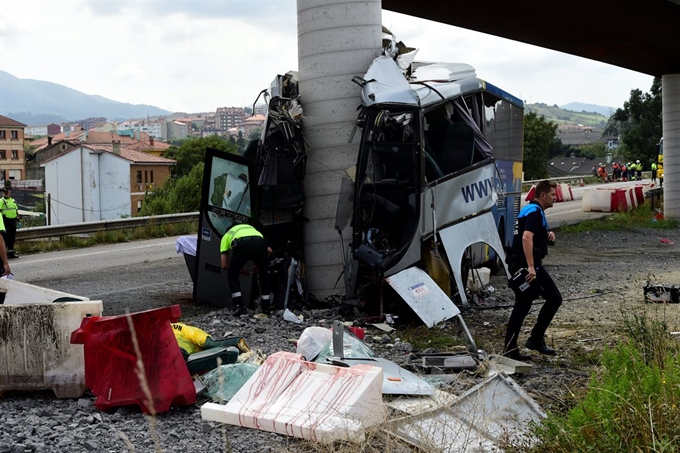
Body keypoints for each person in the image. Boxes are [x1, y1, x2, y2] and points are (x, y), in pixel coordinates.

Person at [503, 180, 563, 361]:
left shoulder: (531, 210)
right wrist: (530, 266)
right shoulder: (536, 213)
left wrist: (547, 236)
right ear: (543, 195)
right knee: (553, 298)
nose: (555, 198)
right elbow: (526, 237)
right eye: (553, 195)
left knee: (523, 305)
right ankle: (533, 340)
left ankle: (513, 348)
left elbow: (531, 234)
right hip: (528, 266)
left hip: (524, 264)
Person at [220, 223, 271, 315]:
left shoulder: (227, 236)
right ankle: (266, 307)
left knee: (232, 276)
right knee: (264, 276)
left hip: (242, 244)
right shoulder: (252, 229)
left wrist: (241, 271)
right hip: (260, 243)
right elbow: (269, 250)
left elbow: (224, 265)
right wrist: (259, 265)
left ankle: (239, 307)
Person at [0, 188, 19, 258]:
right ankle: (3, 255)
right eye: (5, 192)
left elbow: (16, 209)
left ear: (9, 192)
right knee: (6, 238)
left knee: (12, 237)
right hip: (5, 221)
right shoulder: (1, 201)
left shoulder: (13, 200)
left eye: (7, 192)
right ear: (3, 193)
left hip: (13, 221)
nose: (7, 193)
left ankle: (11, 253)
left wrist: (18, 217)